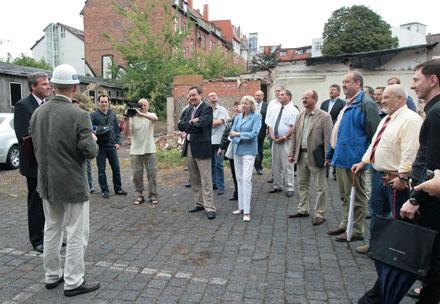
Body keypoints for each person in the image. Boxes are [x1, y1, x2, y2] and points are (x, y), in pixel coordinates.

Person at [30, 64, 100, 297]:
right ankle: (73, 280)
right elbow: (89, 151)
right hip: (72, 184)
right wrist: (93, 138)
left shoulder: (37, 112)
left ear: (54, 85)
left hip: (47, 182)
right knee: (77, 232)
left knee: (52, 229)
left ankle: (52, 275)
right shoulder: (79, 114)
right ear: (75, 87)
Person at [351, 84, 422, 255]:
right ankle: (376, 245)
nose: (382, 101)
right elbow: (376, 143)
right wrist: (363, 162)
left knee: (398, 216)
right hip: (380, 175)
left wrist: (403, 177)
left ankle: (399, 251)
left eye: (386, 97)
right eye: (382, 98)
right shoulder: (386, 118)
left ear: (400, 98)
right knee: (377, 213)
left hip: (396, 179)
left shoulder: (410, 120)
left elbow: (410, 151)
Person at [399, 59, 440, 303]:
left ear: (432, 80)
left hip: (431, 199)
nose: (412, 85)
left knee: (433, 258)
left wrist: (416, 199)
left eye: (416, 79)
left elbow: (433, 166)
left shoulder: (436, 113)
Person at [325, 71, 381, 242]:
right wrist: (330, 155)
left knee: (356, 196)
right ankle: (345, 223)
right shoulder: (348, 103)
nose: (343, 85)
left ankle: (356, 230)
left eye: (347, 82)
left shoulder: (365, 103)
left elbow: (374, 135)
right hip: (341, 158)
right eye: (342, 81)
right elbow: (338, 132)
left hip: (354, 160)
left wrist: (366, 160)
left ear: (357, 83)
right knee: (344, 195)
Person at [14, 72, 50, 253]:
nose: (48, 86)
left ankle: (51, 236)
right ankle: (37, 239)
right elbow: (24, 137)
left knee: (50, 202)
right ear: (33, 87)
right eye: (44, 84)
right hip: (33, 164)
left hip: (50, 163)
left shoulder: (48, 105)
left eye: (48, 83)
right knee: (36, 202)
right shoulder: (23, 106)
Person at [288, 90, 333, 225]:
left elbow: (328, 138)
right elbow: (295, 136)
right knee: (302, 183)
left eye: (307, 98)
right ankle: (303, 209)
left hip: (317, 156)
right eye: (303, 98)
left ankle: (320, 213)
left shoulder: (324, 116)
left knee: (320, 186)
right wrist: (291, 153)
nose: (304, 100)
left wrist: (328, 156)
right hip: (301, 155)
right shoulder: (300, 115)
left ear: (315, 99)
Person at [178, 86, 216, 220]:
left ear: (200, 95)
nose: (192, 98)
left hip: (202, 147)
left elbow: (202, 125)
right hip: (189, 147)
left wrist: (188, 126)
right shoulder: (188, 110)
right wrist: (191, 122)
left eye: (194, 95)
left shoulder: (206, 108)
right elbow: (180, 126)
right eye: (190, 95)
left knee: (206, 178)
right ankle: (199, 203)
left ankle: (210, 207)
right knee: (194, 178)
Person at [230, 96, 262, 222]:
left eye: (246, 103)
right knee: (239, 179)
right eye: (242, 103)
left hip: (249, 151)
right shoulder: (238, 117)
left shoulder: (256, 117)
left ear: (252, 105)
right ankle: (241, 207)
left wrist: (238, 135)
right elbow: (231, 133)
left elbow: (254, 134)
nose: (243, 105)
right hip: (237, 150)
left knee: (246, 179)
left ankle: (247, 211)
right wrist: (242, 137)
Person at [90, 94, 127, 198]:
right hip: (100, 147)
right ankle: (104, 190)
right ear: (99, 103)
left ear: (108, 102)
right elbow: (89, 129)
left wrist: (118, 142)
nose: (104, 104)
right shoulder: (93, 115)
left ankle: (118, 188)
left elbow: (117, 130)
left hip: (112, 146)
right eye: (102, 102)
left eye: (105, 102)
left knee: (116, 169)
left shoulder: (112, 114)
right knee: (101, 170)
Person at [124, 98, 159, 205]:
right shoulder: (133, 118)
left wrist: (140, 113)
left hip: (150, 149)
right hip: (136, 150)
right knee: (136, 174)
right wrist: (128, 118)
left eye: (145, 105)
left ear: (148, 106)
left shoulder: (150, 115)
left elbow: (156, 118)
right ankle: (140, 195)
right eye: (140, 105)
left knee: (152, 173)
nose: (142, 107)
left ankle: (153, 195)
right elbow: (127, 134)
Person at [268, 89, 299, 197]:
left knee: (287, 164)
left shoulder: (293, 110)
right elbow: (271, 124)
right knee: (275, 164)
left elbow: (293, 126)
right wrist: (272, 136)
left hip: (287, 141)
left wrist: (285, 137)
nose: (279, 96)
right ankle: (278, 185)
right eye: (279, 94)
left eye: (282, 95)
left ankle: (290, 187)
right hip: (275, 140)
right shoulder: (277, 109)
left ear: (288, 97)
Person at [320, 84, 345, 180]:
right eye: (330, 89)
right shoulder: (324, 103)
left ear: (338, 92)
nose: (331, 91)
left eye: (333, 90)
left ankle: (335, 172)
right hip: (324, 129)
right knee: (325, 149)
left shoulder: (342, 103)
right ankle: (325, 170)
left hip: (335, 129)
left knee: (334, 149)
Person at [218, 100, 241, 200]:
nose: (236, 108)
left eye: (238, 105)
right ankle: (237, 191)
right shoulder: (230, 120)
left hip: (242, 149)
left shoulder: (246, 119)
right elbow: (225, 134)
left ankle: (243, 192)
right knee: (234, 172)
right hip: (232, 149)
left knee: (242, 173)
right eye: (235, 106)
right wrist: (221, 147)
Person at [72, 99, 95, 193]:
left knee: (88, 168)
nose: (75, 108)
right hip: (73, 149)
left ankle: (89, 186)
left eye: (77, 106)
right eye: (74, 106)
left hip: (84, 146)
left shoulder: (83, 117)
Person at [208, 92, 227, 195]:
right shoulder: (207, 109)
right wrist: (213, 121)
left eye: (215, 95)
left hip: (219, 140)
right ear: (208, 99)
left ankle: (221, 186)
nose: (214, 96)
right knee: (211, 164)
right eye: (211, 95)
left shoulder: (222, 109)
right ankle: (214, 183)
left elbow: (219, 122)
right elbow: (206, 122)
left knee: (219, 164)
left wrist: (210, 122)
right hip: (209, 140)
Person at [265, 84, 285, 183]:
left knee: (283, 156)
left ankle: (284, 176)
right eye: (276, 91)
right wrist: (270, 133)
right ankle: (274, 175)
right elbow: (268, 119)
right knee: (274, 156)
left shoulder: (287, 104)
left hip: (284, 136)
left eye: (279, 91)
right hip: (272, 134)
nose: (277, 93)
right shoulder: (272, 104)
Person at [254, 90, 267, 175]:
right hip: (252, 131)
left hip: (261, 131)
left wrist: (268, 131)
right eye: (256, 95)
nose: (257, 97)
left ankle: (259, 167)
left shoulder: (267, 106)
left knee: (259, 149)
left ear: (263, 97)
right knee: (252, 149)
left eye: (259, 95)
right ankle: (254, 165)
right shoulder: (252, 105)